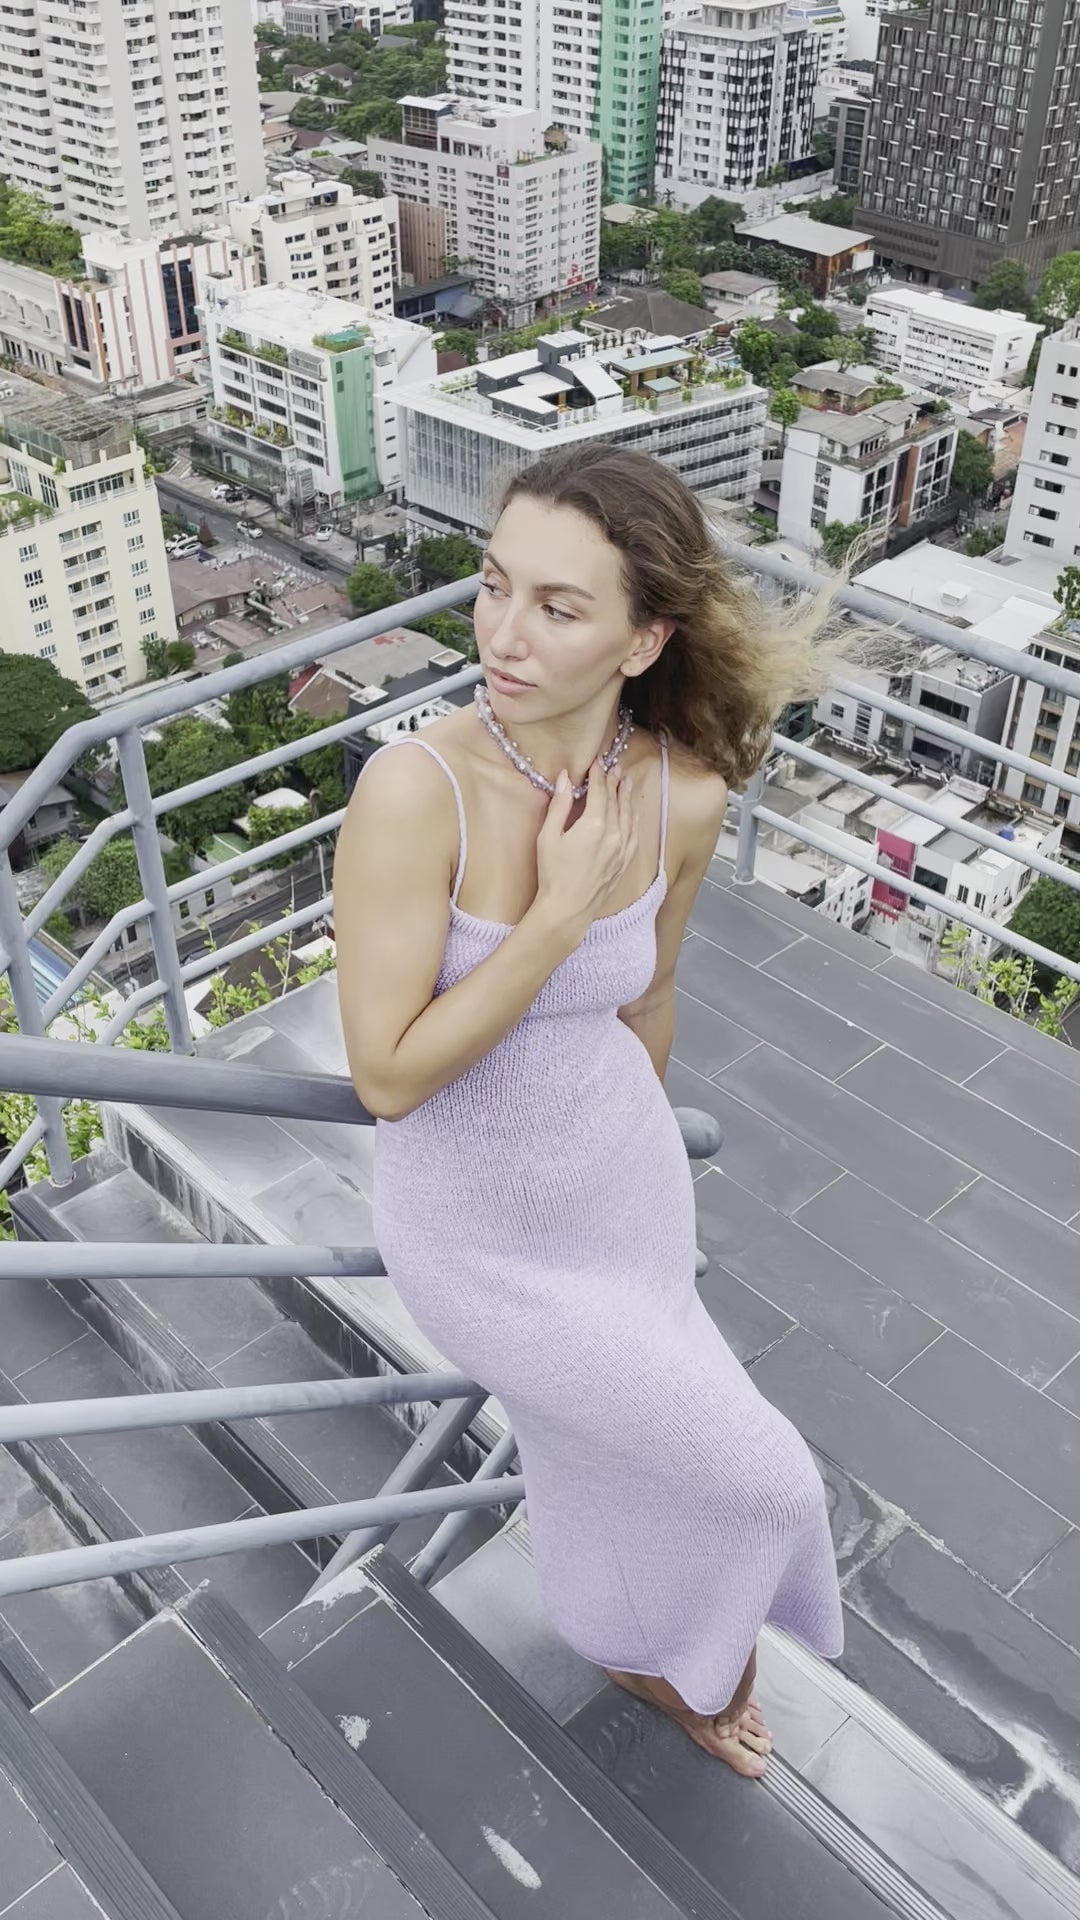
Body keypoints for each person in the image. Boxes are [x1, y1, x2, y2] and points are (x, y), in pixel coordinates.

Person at [334, 444, 844, 1776]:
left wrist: (631, 1164)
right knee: (763, 1477)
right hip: (478, 1241)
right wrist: (556, 916)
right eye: (496, 586)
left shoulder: (682, 793)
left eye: (559, 607)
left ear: (642, 639)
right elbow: (387, 1075)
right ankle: (688, 1664)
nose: (503, 633)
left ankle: (630, 1633)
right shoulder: (414, 790)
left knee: (595, 1437)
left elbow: (651, 1002)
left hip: (623, 1194)